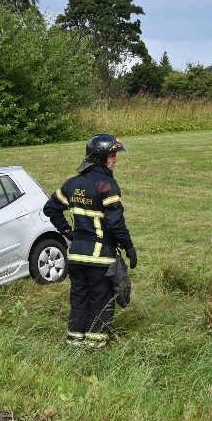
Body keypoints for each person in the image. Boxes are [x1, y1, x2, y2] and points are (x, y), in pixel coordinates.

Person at [43, 133, 137, 348]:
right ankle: (94, 347)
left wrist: (67, 231)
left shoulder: (72, 184)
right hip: (100, 259)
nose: (116, 160)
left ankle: (75, 342)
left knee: (79, 300)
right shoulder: (106, 186)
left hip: (76, 257)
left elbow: (51, 208)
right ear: (100, 157)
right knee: (100, 301)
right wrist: (129, 247)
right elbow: (116, 223)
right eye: (113, 155)